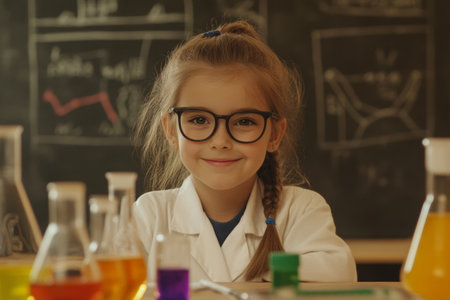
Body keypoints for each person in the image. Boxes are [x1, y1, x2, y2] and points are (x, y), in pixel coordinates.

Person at [132, 20, 357, 283]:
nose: (220, 141)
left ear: (274, 134)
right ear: (171, 130)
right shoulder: (150, 215)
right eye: (199, 120)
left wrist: (267, 269)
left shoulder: (301, 210)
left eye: (244, 121)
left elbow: (339, 273)